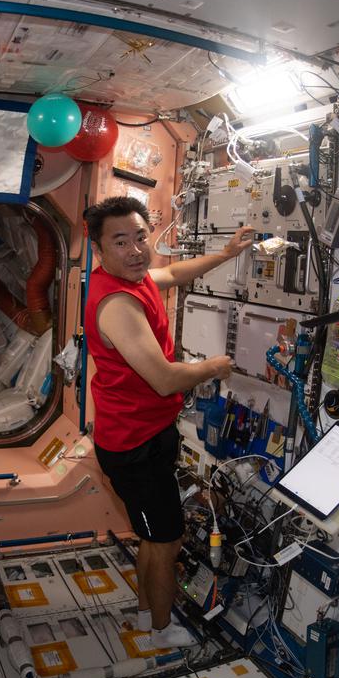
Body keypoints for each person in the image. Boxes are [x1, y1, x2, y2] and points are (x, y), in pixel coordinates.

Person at [82, 195, 254, 648]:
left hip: (147, 434)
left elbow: (173, 273)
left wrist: (226, 254)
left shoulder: (132, 278)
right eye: (121, 241)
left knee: (151, 535)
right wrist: (213, 367)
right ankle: (161, 631)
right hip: (133, 447)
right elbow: (162, 379)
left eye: (140, 236)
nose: (137, 249)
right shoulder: (117, 304)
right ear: (99, 250)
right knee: (168, 541)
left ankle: (144, 615)